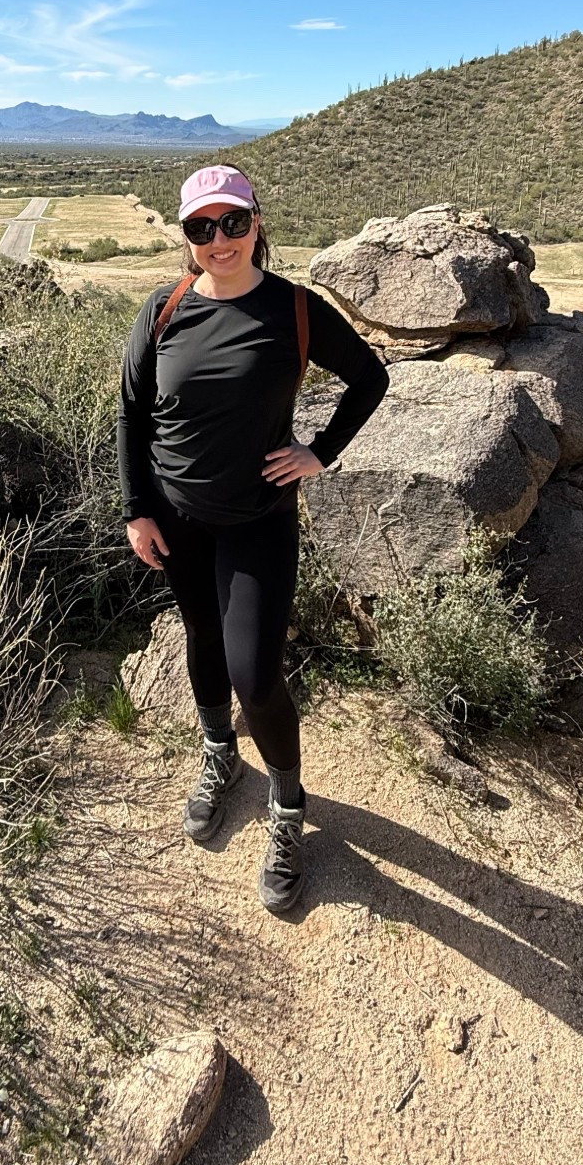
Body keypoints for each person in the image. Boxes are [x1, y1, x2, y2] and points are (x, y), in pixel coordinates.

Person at [117, 165, 389, 912]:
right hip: (175, 517)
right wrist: (138, 509)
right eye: (202, 228)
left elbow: (369, 378)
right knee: (201, 634)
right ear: (186, 236)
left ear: (257, 224)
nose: (220, 240)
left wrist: (319, 452)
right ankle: (218, 756)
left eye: (232, 223)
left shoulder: (296, 311)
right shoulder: (164, 310)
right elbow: (132, 415)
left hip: (259, 521)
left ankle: (288, 809)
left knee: (256, 675)